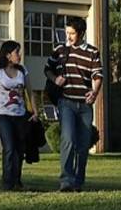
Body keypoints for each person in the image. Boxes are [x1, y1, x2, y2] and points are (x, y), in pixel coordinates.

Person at [44, 17, 103, 192]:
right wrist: (56, 79)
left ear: (82, 33)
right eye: (67, 32)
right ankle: (66, 181)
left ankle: (78, 181)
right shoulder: (60, 50)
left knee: (83, 146)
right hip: (66, 102)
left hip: (85, 105)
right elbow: (47, 69)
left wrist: (95, 92)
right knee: (68, 139)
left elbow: (98, 75)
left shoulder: (92, 52)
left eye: (72, 33)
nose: (68, 36)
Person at [0, 40, 39, 191]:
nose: (19, 55)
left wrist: (35, 111)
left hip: (20, 115)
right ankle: (7, 182)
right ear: (8, 55)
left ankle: (17, 180)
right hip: (2, 115)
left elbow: (30, 92)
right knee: (9, 147)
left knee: (20, 148)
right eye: (16, 52)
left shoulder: (22, 71)